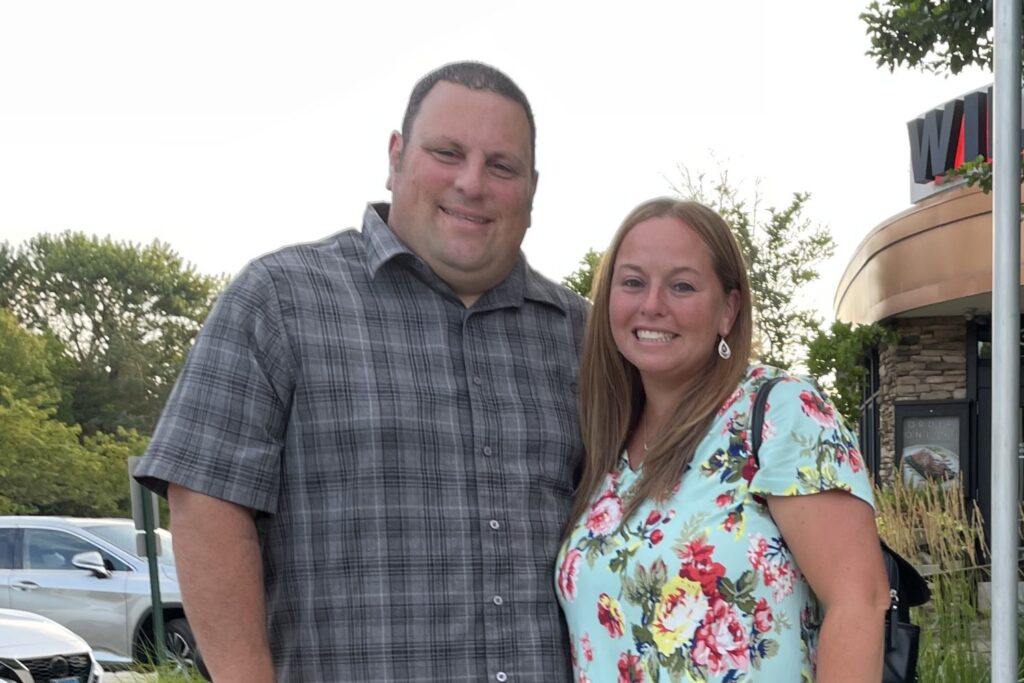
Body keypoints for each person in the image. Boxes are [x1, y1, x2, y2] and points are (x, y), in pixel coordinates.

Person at [134, 61, 588, 682]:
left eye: (501, 166)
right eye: (447, 153)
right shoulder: (281, 300)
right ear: (397, 157)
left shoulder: (583, 337)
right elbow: (205, 500)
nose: (472, 182)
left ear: (532, 188)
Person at [556, 198, 890, 681]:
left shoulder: (779, 411)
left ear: (728, 309)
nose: (652, 304)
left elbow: (858, 600)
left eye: (682, 286)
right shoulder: (604, 443)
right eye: (632, 282)